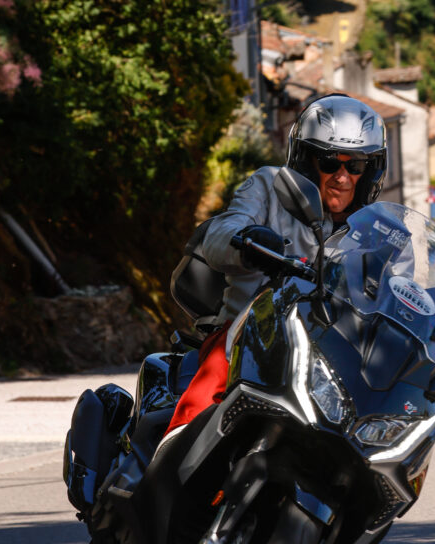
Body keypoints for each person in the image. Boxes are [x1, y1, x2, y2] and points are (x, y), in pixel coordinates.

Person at [163, 93, 388, 439]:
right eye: (330, 162)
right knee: (200, 409)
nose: (342, 177)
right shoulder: (270, 186)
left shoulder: (373, 228)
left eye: (355, 166)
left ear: (369, 171)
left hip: (329, 359)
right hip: (247, 338)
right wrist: (248, 239)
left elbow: (398, 286)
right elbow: (220, 232)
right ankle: (170, 473)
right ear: (307, 161)